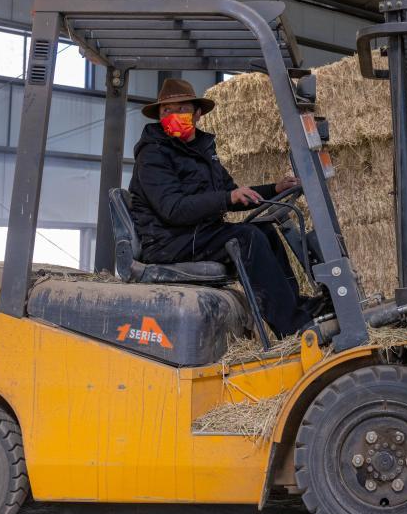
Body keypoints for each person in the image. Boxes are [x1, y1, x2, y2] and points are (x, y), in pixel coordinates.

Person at [127, 78, 310, 337]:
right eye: (166, 110)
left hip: (195, 234)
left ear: (198, 114)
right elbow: (173, 209)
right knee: (247, 238)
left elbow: (231, 191)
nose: (172, 115)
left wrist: (275, 189)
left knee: (265, 230)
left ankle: (297, 307)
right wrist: (228, 198)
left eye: (181, 109)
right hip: (167, 242)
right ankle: (292, 328)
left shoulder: (201, 152)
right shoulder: (154, 155)